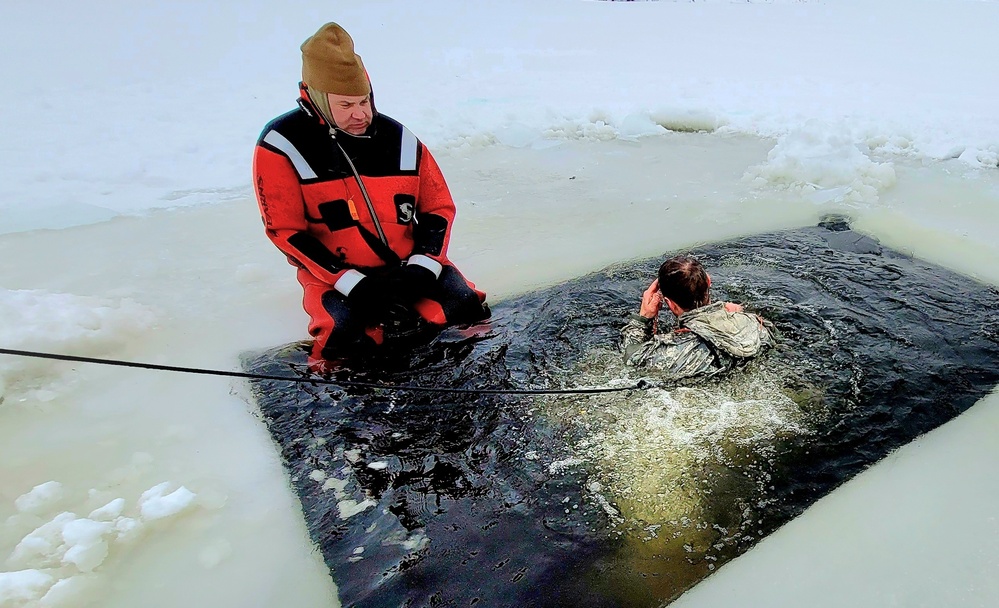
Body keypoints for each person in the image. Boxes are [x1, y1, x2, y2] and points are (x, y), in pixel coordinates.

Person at [252, 22, 489, 362]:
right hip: (336, 276)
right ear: (318, 98)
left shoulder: (400, 139)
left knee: (466, 307)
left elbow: (438, 209)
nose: (361, 114)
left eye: (365, 101)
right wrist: (350, 282)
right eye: (346, 105)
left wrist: (422, 266)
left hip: (409, 266)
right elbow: (285, 231)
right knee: (342, 335)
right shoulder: (281, 145)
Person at [621, 255, 774, 379]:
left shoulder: (673, 351)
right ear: (709, 281)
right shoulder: (756, 324)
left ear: (670, 303)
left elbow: (632, 359)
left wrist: (642, 319)